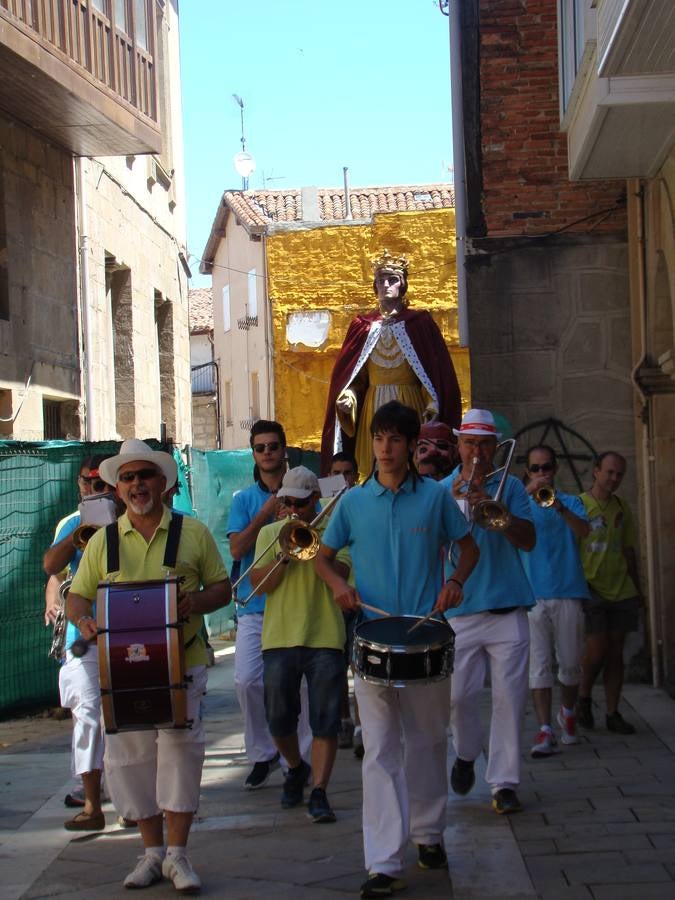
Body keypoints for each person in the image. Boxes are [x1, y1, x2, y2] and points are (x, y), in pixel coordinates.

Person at [316, 401, 479, 899]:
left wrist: (454, 580)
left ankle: (428, 834)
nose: (384, 448)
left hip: (427, 636)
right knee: (380, 749)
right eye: (378, 438)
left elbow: (469, 548)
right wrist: (339, 587)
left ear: (411, 446)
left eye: (394, 439)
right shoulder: (353, 502)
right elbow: (322, 558)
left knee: (429, 742)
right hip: (371, 638)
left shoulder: (434, 499)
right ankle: (383, 861)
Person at [66, 439, 230, 893]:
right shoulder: (102, 542)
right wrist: (83, 620)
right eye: (128, 478)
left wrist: (194, 601)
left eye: (145, 476)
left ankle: (178, 856)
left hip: (184, 664)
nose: (137, 484)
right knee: (131, 760)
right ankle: (152, 854)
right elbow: (78, 593)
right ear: (118, 489)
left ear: (163, 482)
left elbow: (222, 589)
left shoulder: (192, 533)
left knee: (180, 755)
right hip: (122, 671)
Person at [441, 409, 535, 816]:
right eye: (469, 443)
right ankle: (465, 753)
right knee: (459, 698)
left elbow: (528, 540)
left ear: (495, 448)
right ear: (458, 445)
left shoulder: (510, 486)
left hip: (508, 605)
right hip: (462, 611)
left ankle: (505, 783)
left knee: (510, 700)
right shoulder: (441, 490)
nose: (476, 452)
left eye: (484, 444)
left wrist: (497, 513)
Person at [249, 466, 351, 823]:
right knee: (278, 718)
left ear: (316, 500)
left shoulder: (335, 531)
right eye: (286, 502)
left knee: (325, 721)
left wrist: (317, 547)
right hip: (279, 638)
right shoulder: (270, 534)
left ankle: (320, 791)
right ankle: (295, 766)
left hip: (325, 636)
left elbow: (344, 576)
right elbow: (259, 588)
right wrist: (284, 554)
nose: (293, 509)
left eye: (300, 503)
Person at [320, 250, 462, 482]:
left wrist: (431, 404)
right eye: (380, 280)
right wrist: (349, 397)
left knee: (411, 465)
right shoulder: (362, 326)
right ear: (374, 286)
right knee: (375, 466)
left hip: (411, 404)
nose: (386, 285)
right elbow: (356, 378)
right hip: (372, 409)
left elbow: (432, 374)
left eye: (392, 279)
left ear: (403, 284)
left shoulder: (420, 324)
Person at [226, 420, 311, 790]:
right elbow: (236, 549)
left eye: (273, 446)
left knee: (304, 687)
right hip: (256, 606)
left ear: (284, 449)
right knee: (246, 682)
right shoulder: (243, 500)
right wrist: (266, 513)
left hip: (296, 601)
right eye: (259, 448)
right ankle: (263, 753)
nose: (267, 453)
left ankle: (303, 759)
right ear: (253, 453)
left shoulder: (304, 487)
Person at [43, 456, 115, 828]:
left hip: (122, 630)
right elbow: (51, 567)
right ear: (80, 484)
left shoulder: (127, 520)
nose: (96, 490)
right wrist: (78, 532)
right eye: (90, 482)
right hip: (81, 634)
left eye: (104, 484)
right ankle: (91, 802)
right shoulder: (72, 523)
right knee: (86, 714)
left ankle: (124, 791)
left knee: (120, 716)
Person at [520, 445, 591, 757]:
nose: (541, 473)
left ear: (555, 468)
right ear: (527, 472)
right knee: (539, 666)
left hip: (567, 591)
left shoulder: (572, 501)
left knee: (572, 664)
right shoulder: (520, 503)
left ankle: (568, 712)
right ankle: (545, 728)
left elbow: (584, 530)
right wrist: (526, 493)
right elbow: (503, 524)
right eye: (535, 469)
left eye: (545, 467)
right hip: (532, 594)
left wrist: (558, 504)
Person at [577, 451, 642, 735]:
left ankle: (613, 711)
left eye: (619, 474)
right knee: (595, 651)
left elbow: (629, 550)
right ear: (596, 471)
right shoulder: (579, 505)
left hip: (621, 589)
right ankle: (583, 697)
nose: (614, 479)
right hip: (591, 588)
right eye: (610, 472)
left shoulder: (622, 508)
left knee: (616, 653)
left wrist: (638, 589)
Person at [327, 452, 361, 755]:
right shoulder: (324, 512)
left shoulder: (363, 504)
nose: (343, 479)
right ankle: (344, 721)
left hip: (363, 597)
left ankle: (362, 726)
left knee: (359, 665)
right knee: (336, 669)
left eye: (348, 473)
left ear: (356, 476)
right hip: (333, 599)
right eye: (336, 473)